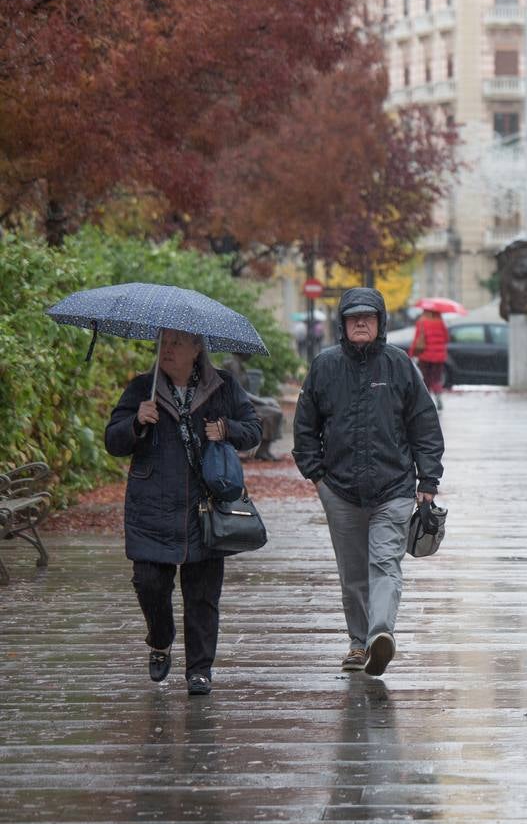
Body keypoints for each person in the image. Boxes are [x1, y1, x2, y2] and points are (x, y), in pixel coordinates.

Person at [292, 288, 445, 677]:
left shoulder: (399, 366)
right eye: (353, 317)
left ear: (380, 323)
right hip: (339, 490)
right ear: (342, 324)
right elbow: (305, 426)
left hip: (392, 488)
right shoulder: (324, 367)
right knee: (353, 572)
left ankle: (380, 635)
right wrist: (317, 478)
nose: (361, 323)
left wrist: (428, 478)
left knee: (385, 563)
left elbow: (424, 424)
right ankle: (358, 643)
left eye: (368, 317)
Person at [104, 329, 261, 696]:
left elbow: (254, 430)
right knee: (148, 581)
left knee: (203, 592)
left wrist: (226, 429)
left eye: (177, 342)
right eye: (163, 342)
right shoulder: (142, 387)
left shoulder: (222, 386)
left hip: (205, 507)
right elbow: (112, 440)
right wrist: (135, 422)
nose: (168, 349)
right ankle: (160, 639)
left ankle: (199, 669)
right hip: (151, 506)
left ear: (197, 349)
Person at [219, 352, 284, 460]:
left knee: (274, 409)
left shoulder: (239, 364)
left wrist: (266, 400)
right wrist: (263, 402)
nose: (251, 355)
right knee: (274, 413)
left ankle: (264, 450)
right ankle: (262, 450)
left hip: (245, 402)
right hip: (237, 405)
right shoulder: (232, 364)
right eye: (250, 353)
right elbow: (240, 391)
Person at [410, 308, 450, 407]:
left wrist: (411, 354)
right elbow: (446, 338)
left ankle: (426, 401)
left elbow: (417, 339)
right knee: (436, 378)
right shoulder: (440, 323)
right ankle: (438, 397)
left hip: (425, 357)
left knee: (425, 379)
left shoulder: (422, 322)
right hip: (439, 357)